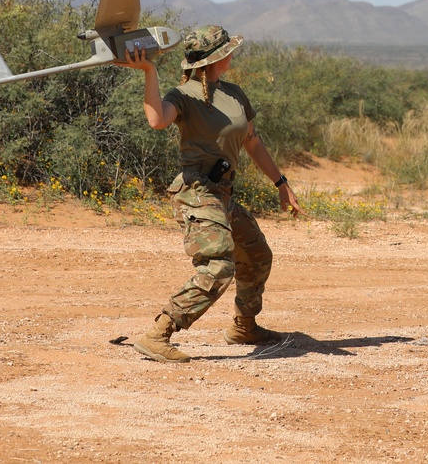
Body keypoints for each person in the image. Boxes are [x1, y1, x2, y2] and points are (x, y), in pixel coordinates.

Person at [119, 25, 304, 363]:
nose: (232, 55)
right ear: (216, 58)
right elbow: (157, 119)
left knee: (258, 255)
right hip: (196, 190)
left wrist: (281, 184)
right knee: (218, 263)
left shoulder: (233, 94)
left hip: (223, 192)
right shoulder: (183, 95)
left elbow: (251, 141)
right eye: (228, 51)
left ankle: (244, 327)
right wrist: (148, 71)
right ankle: (158, 333)